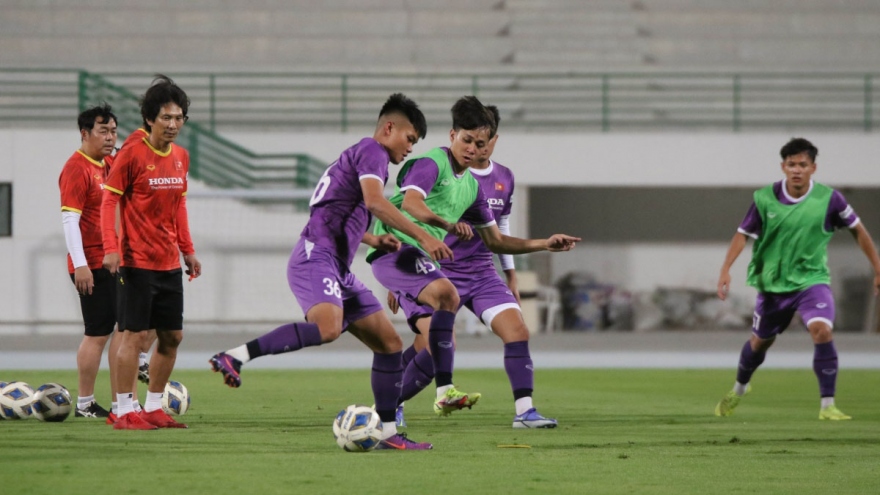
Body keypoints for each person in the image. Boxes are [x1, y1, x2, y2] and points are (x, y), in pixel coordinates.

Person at [209, 94, 451, 450]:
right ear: (389, 128)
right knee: (328, 327)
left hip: (336, 264)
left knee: (389, 343)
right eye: (410, 138)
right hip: (315, 256)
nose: (410, 148)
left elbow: (335, 208)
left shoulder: (362, 155)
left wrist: (371, 238)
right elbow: (373, 202)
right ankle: (235, 356)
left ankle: (386, 433)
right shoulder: (373, 151)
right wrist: (424, 236)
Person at [367, 96, 580, 418]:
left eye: (479, 143)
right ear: (453, 135)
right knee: (437, 340)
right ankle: (392, 405)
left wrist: (544, 244)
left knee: (515, 330)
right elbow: (411, 205)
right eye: (466, 139)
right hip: (402, 253)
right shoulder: (430, 163)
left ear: (489, 144)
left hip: (468, 270)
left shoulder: (474, 189)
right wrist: (446, 225)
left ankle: (524, 412)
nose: (472, 148)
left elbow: (495, 239)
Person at [715, 137, 880, 420]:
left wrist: (877, 268)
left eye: (803, 164)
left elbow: (858, 230)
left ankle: (828, 405)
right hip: (773, 286)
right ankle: (739, 388)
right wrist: (725, 269)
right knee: (759, 343)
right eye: (791, 164)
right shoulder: (764, 198)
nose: (796, 170)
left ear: (813, 168)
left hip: (811, 283)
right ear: (783, 166)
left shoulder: (830, 199)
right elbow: (743, 234)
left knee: (822, 330)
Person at [102, 75, 202, 430]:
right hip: (136, 262)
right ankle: (124, 411)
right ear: (149, 118)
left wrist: (187, 251)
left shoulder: (181, 157)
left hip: (167, 264)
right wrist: (111, 248)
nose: (173, 125)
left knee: (172, 336)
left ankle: (153, 406)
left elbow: (179, 208)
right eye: (166, 118)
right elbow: (109, 198)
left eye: (179, 118)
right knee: (132, 336)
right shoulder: (131, 153)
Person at [59, 103, 119, 419]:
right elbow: (70, 220)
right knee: (98, 332)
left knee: (130, 327)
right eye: (103, 131)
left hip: (110, 261)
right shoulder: (77, 168)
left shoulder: (108, 163)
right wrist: (80, 264)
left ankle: (125, 401)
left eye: (112, 130)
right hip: (90, 265)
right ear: (85, 133)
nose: (110, 137)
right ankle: (84, 404)